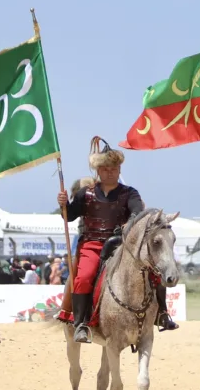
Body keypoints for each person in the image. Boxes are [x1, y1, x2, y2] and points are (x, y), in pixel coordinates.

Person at [58, 137, 177, 343]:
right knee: (84, 276)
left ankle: (162, 314)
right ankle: (81, 324)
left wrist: (129, 223)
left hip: (121, 246)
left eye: (114, 168)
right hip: (92, 245)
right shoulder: (85, 194)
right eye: (105, 168)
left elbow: (137, 213)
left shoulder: (129, 193)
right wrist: (63, 205)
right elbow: (70, 216)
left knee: (153, 271)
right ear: (98, 170)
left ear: (119, 170)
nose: (110, 172)